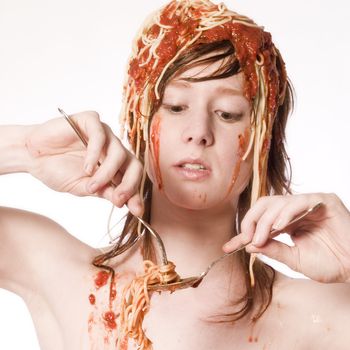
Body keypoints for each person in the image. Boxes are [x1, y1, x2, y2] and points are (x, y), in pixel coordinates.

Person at [1, 0, 350, 349]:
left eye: (228, 114)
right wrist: (27, 150)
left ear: (264, 145)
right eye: (176, 106)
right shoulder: (65, 276)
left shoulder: (321, 314)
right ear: (139, 123)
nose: (198, 131)